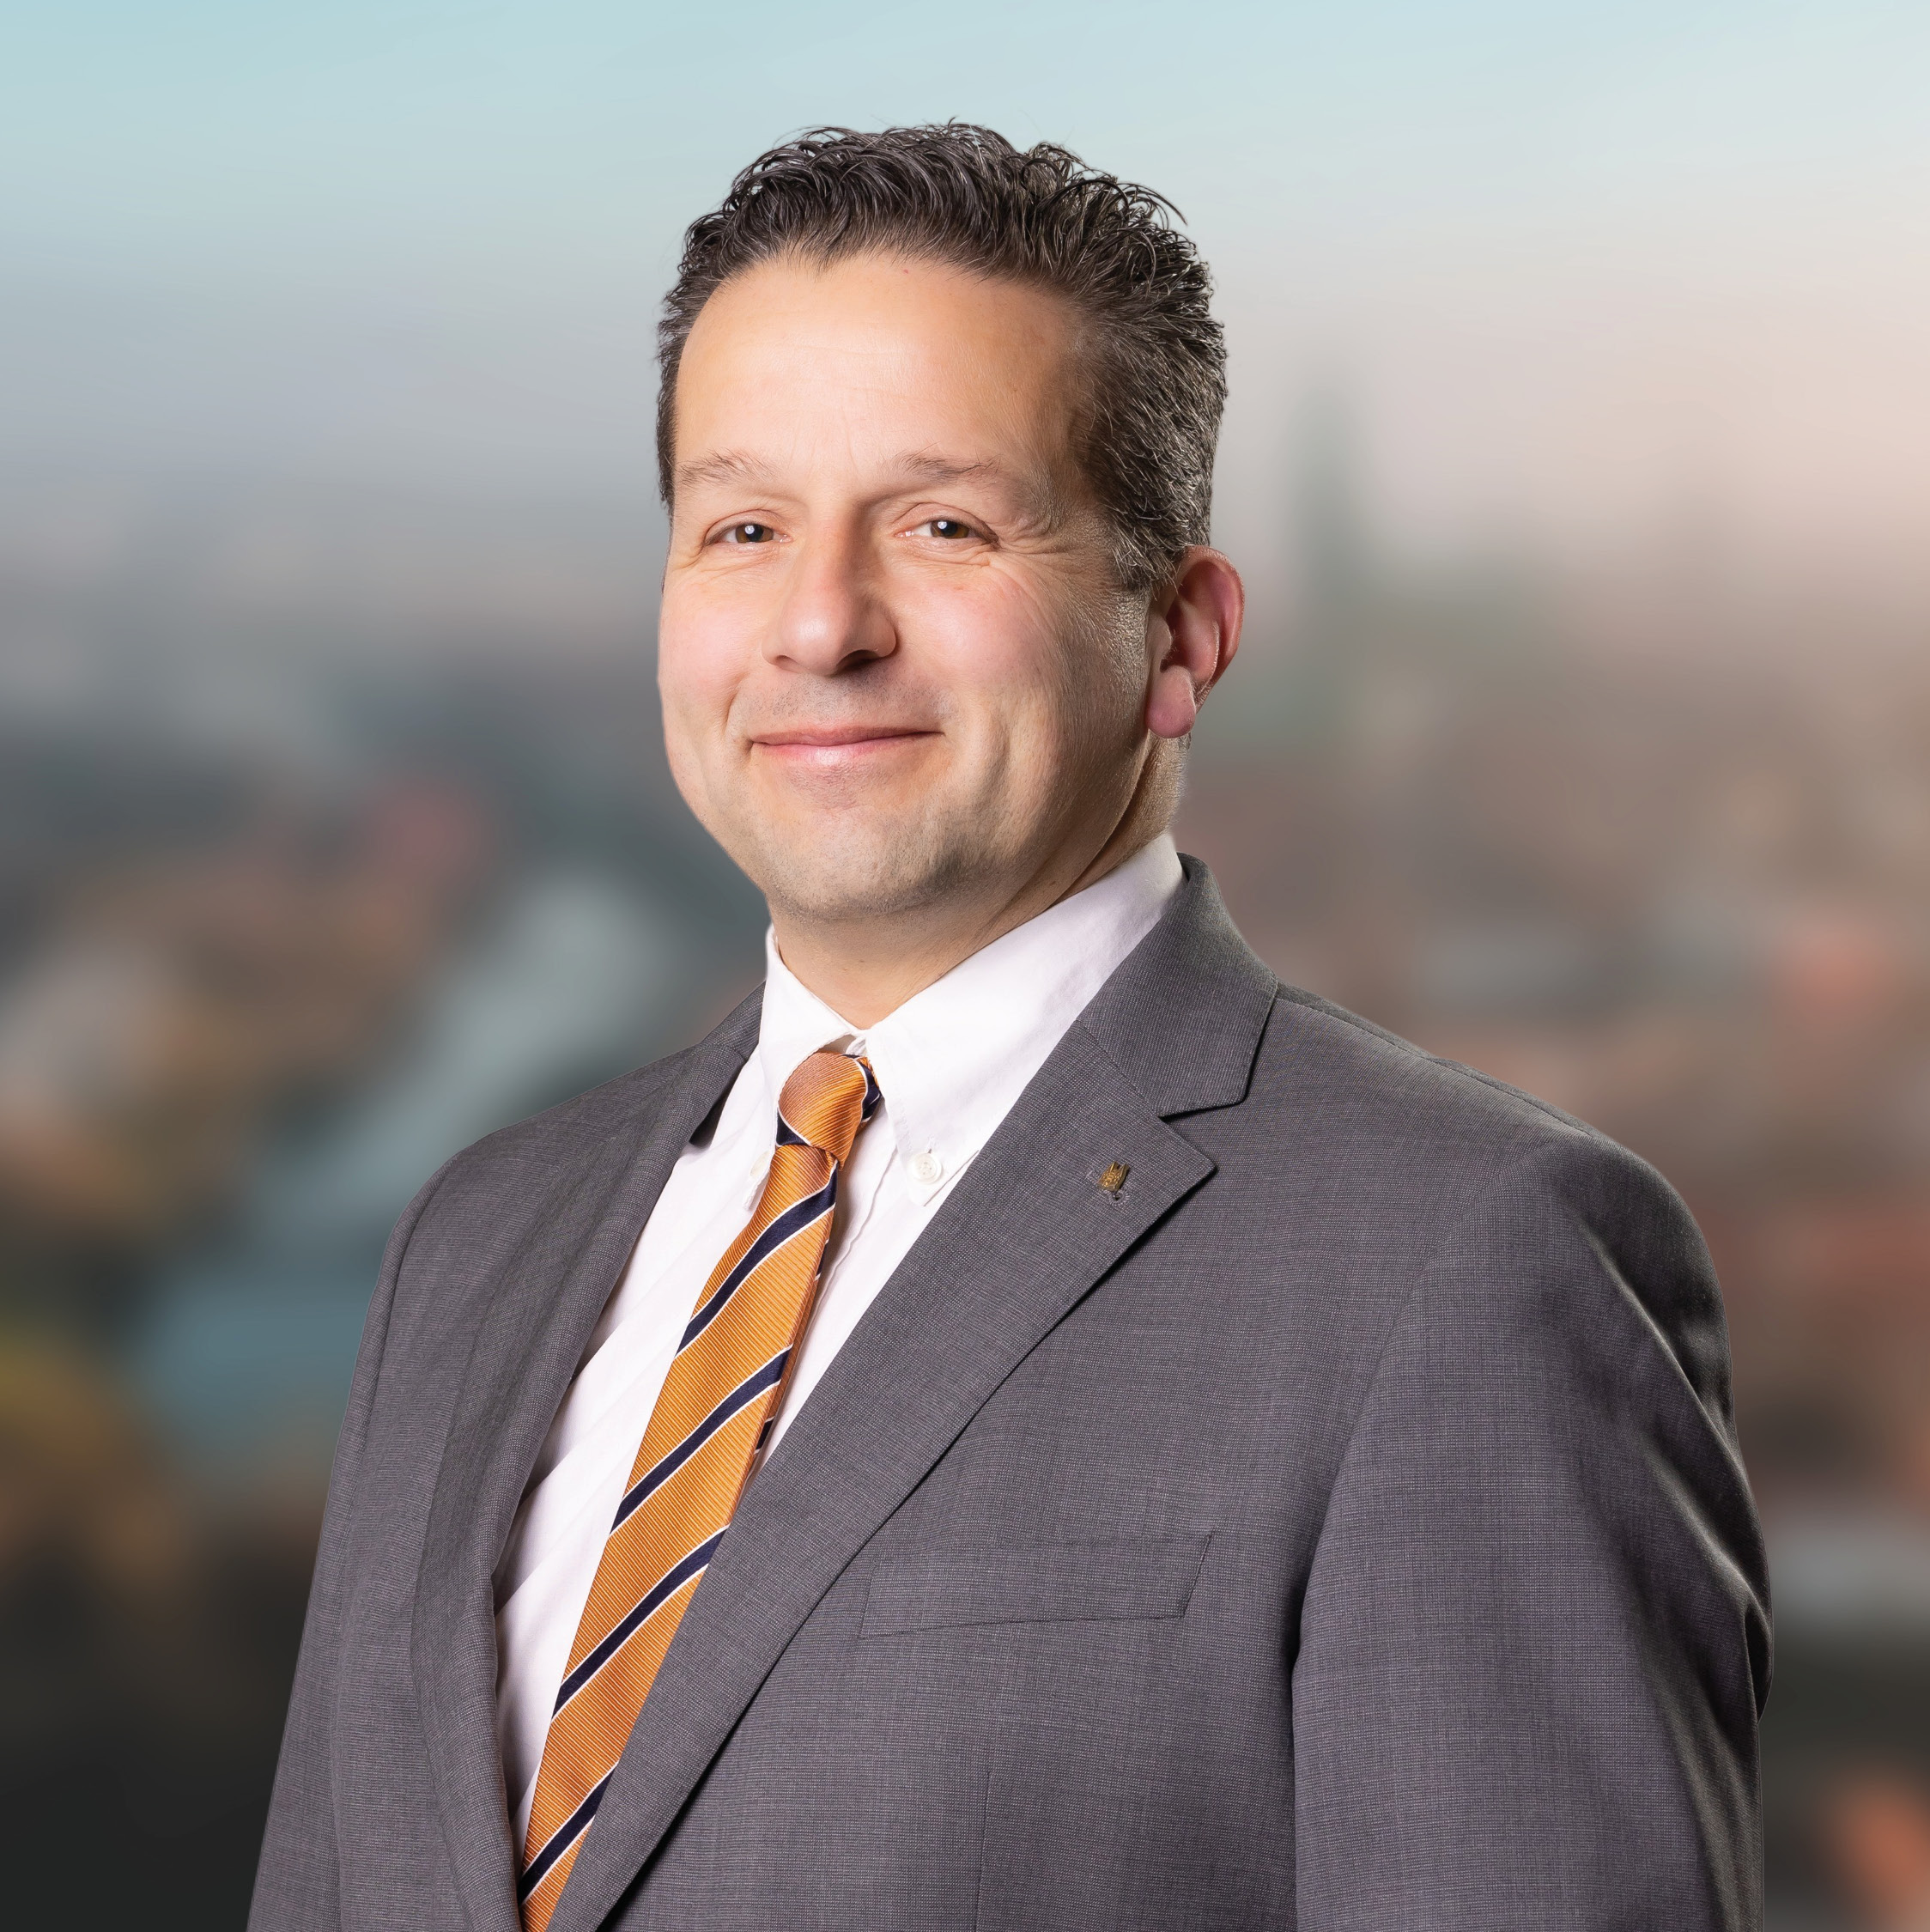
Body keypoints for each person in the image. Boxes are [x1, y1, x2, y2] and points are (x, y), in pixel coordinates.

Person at [251, 125, 1771, 1932]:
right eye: (743, 529)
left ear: (1180, 636)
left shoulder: (1465, 1262)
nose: (820, 625)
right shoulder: (478, 1239)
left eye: (944, 525)